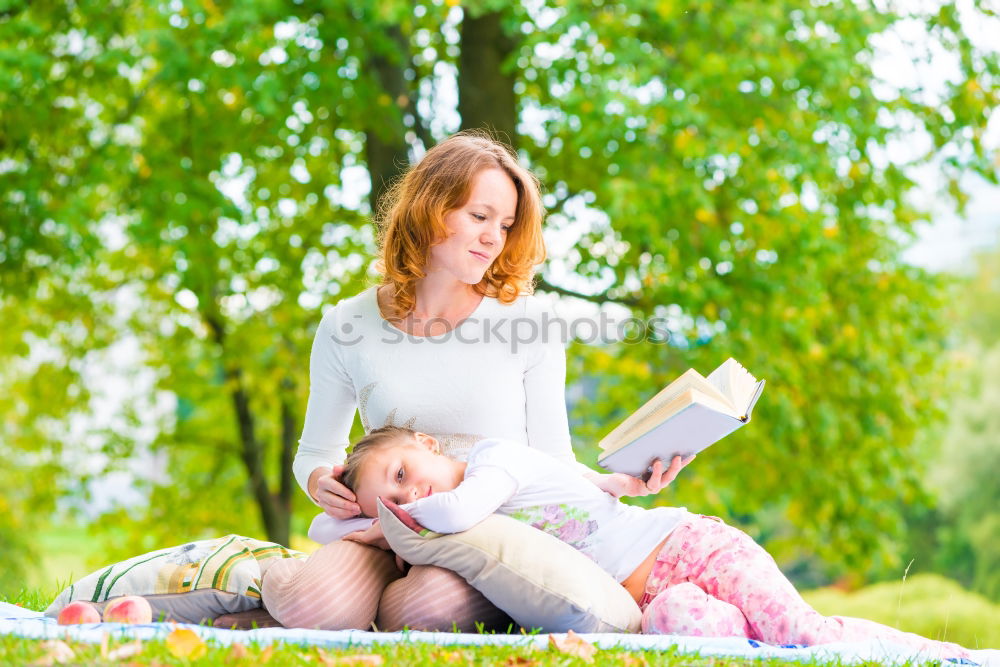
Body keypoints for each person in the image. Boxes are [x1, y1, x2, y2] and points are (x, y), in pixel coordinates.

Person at [263, 131, 692, 631]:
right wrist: (320, 482)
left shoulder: (531, 321)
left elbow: (551, 458)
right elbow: (316, 452)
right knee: (310, 606)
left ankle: (381, 610)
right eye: (479, 216)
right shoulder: (346, 325)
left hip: (483, 532)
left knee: (425, 611)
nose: (494, 237)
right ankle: (260, 582)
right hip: (387, 527)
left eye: (506, 224)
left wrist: (617, 484)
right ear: (429, 209)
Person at [339, 425, 971, 660]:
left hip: (689, 547)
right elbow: (588, 483)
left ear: (425, 443)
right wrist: (359, 512)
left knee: (803, 636)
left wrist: (385, 522)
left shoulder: (488, 464)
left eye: (401, 474)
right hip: (656, 598)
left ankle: (937, 655)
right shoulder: (464, 519)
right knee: (684, 628)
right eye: (392, 502)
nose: (408, 499)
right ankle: (760, 637)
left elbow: (454, 508)